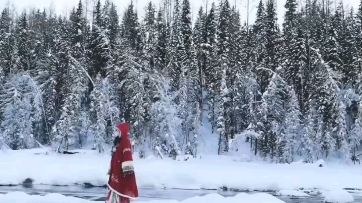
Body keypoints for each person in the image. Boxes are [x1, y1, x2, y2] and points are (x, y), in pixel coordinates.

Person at [106, 123, 138, 203]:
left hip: (121, 172)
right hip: (116, 171)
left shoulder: (125, 141)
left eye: (119, 131)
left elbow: (127, 155)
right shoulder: (119, 141)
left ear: (123, 131)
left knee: (121, 189)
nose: (117, 133)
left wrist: (127, 170)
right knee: (116, 188)